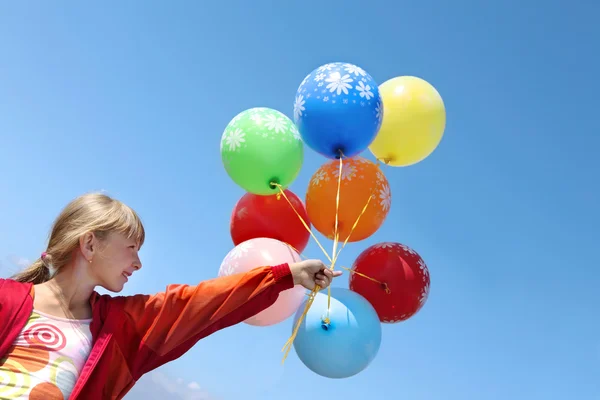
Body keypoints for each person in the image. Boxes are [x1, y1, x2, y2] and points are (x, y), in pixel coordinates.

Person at [0, 192, 341, 400]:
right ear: (90, 244)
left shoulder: (123, 326)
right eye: (131, 247)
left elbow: (197, 303)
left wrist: (286, 275)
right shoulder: (7, 299)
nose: (138, 262)